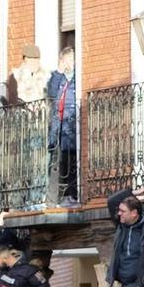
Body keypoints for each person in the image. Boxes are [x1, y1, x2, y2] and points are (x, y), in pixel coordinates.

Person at [46, 44, 78, 206]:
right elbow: (51, 93)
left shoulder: (78, 78)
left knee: (72, 160)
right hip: (59, 127)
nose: (69, 64)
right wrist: (59, 71)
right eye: (67, 60)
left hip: (71, 125)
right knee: (60, 162)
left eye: (72, 60)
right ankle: (61, 196)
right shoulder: (58, 78)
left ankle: (72, 194)